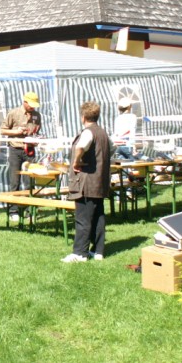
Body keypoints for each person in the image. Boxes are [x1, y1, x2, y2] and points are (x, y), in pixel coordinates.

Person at [62, 101, 113, 263]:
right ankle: (98, 251)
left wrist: (76, 162)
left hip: (87, 182)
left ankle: (80, 253)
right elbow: (112, 150)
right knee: (98, 217)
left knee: (83, 219)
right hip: (100, 182)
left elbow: (81, 147)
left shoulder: (88, 132)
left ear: (83, 117)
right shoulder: (103, 133)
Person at [0, 91, 42, 221]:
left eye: (34, 105)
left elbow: (37, 132)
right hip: (15, 150)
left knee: (30, 182)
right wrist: (16, 132)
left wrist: (36, 139)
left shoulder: (37, 115)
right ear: (25, 101)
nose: (32, 107)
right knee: (15, 181)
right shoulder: (14, 113)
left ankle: (30, 211)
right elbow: (2, 130)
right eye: (31, 104)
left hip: (30, 150)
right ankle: (13, 211)